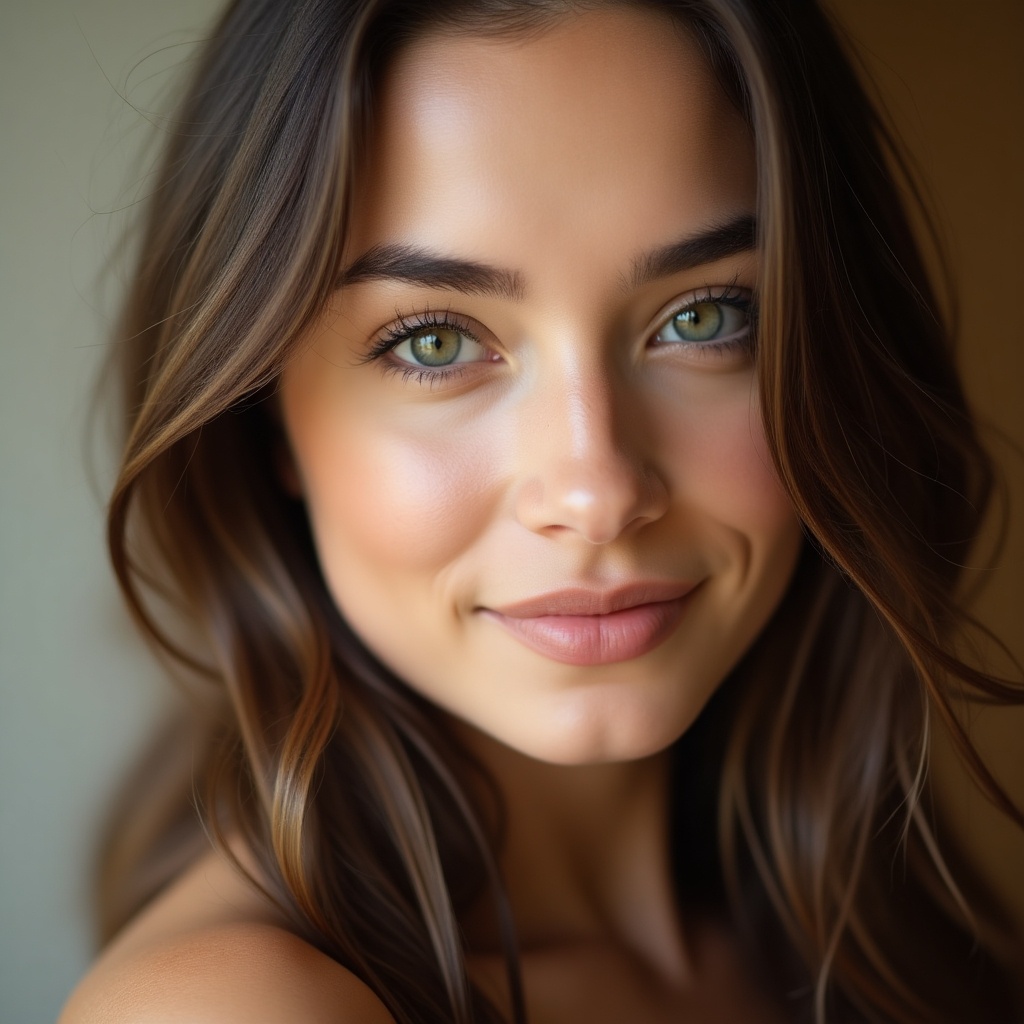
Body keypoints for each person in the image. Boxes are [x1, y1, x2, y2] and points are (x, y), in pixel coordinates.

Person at [59, 0, 1023, 1021]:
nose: (597, 490)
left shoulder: (898, 931)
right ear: (264, 422)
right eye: (434, 342)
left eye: (704, 318)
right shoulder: (238, 1006)